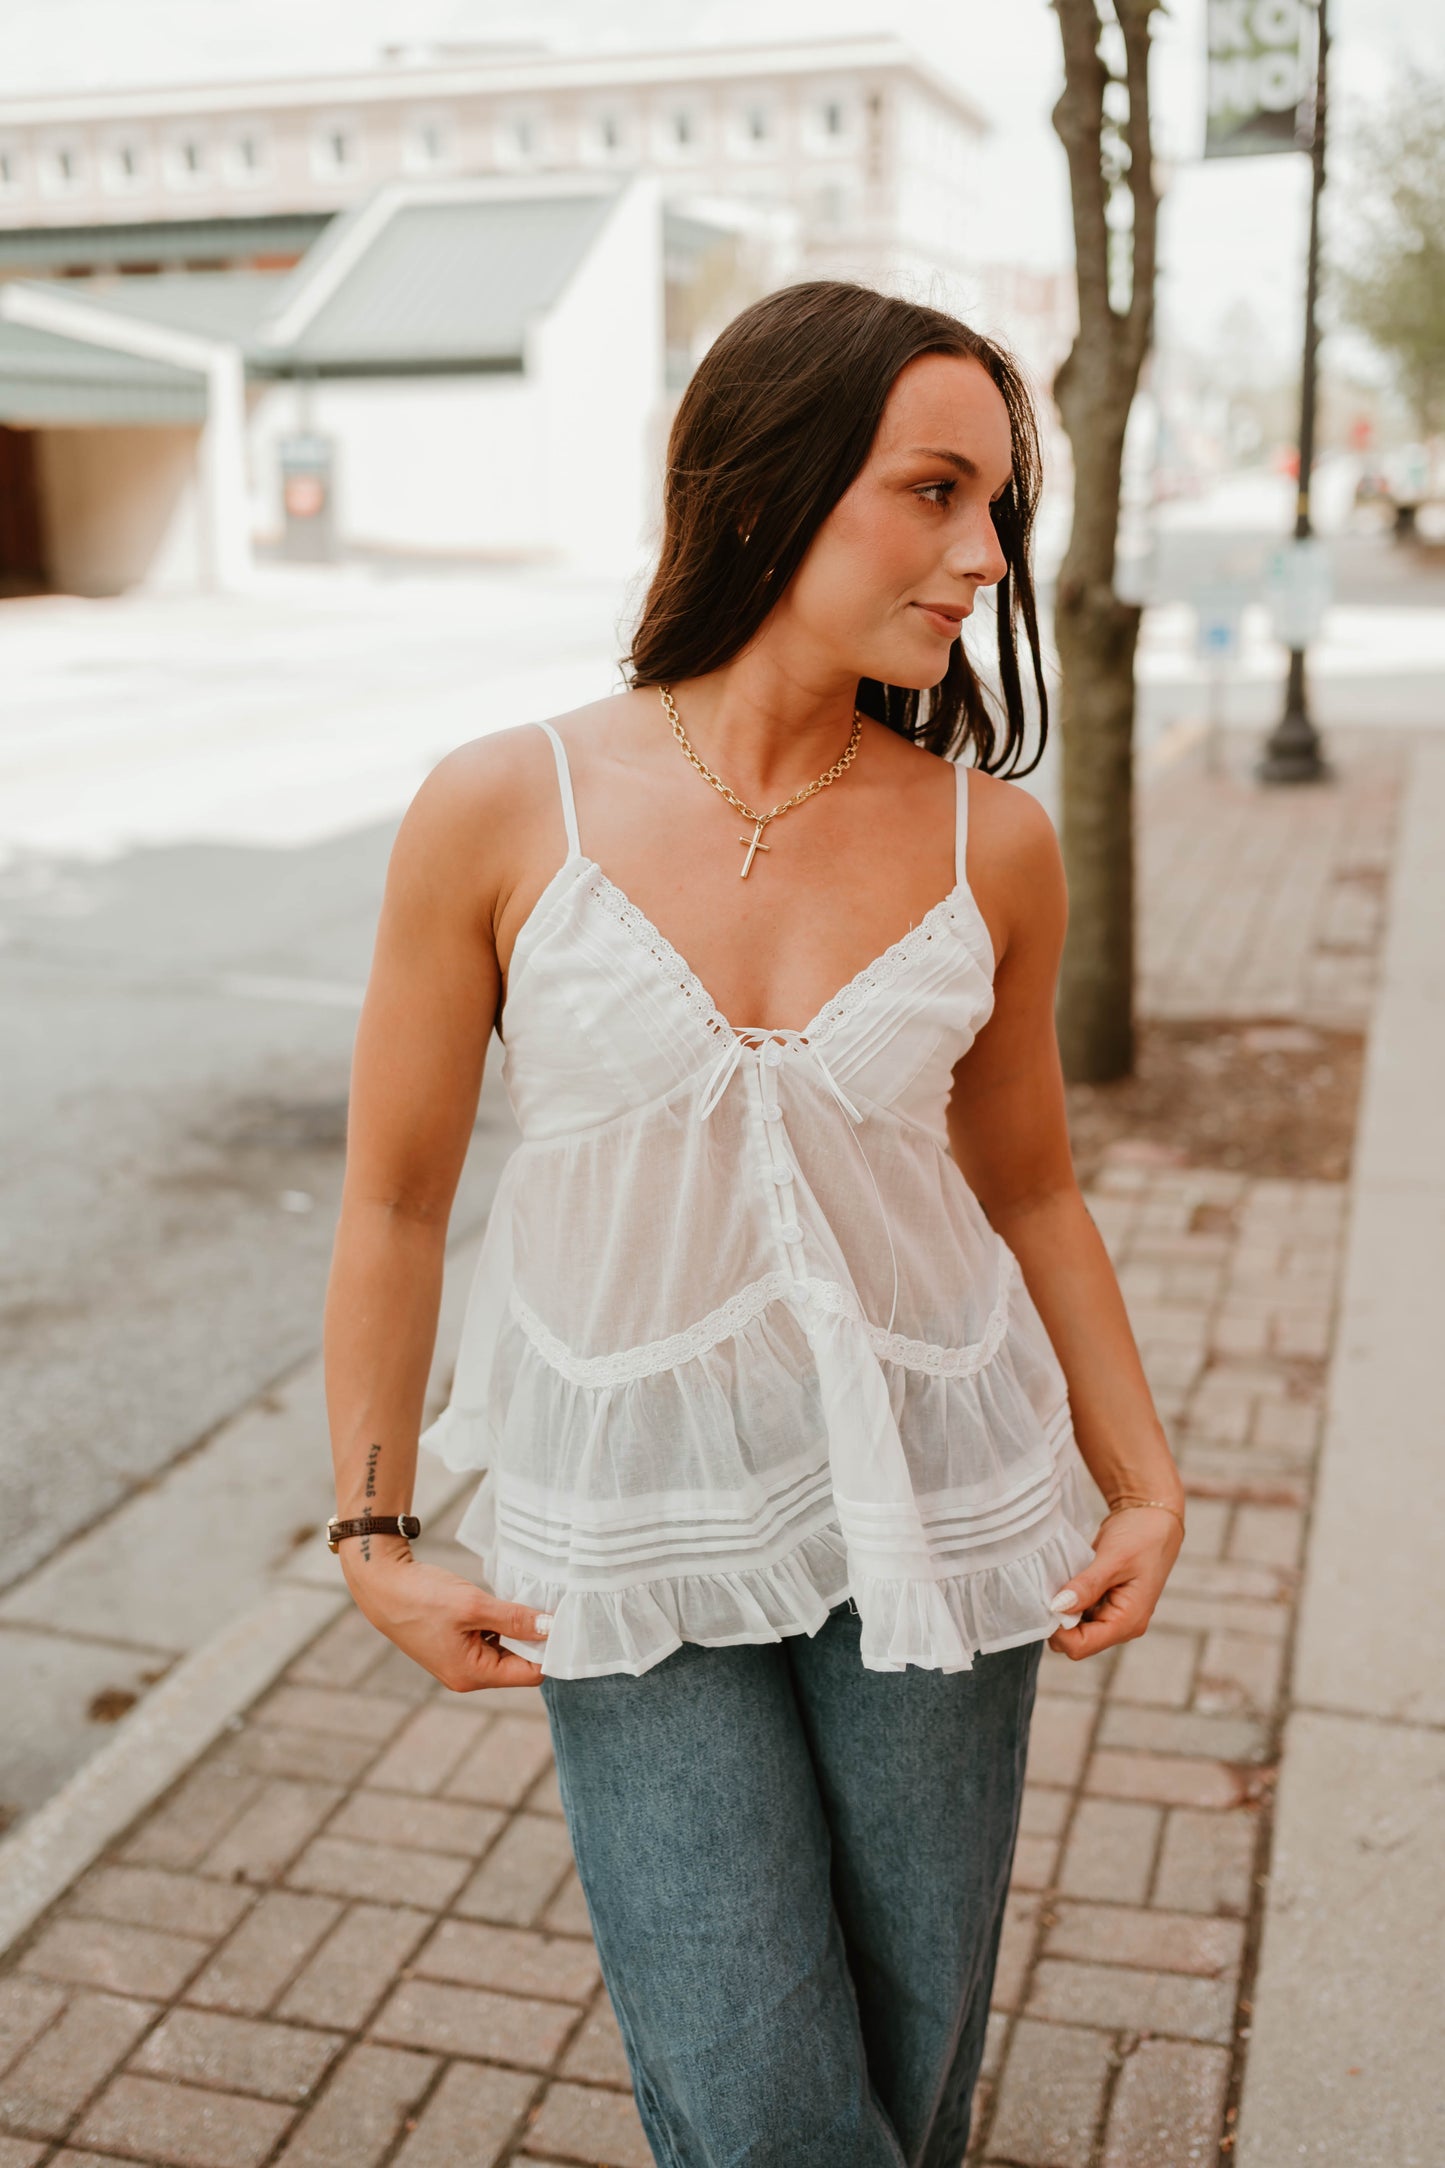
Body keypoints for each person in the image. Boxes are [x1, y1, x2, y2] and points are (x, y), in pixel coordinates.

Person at [322, 281, 1186, 2168]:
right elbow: (395, 1196)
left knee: (910, 2052)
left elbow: (1026, 1181)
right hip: (629, 1525)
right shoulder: (503, 806)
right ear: (762, 488)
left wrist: (1139, 1479)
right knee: (755, 2087)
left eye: (998, 510)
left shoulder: (992, 842)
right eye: (933, 492)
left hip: (941, 1505)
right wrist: (375, 1532)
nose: (981, 556)